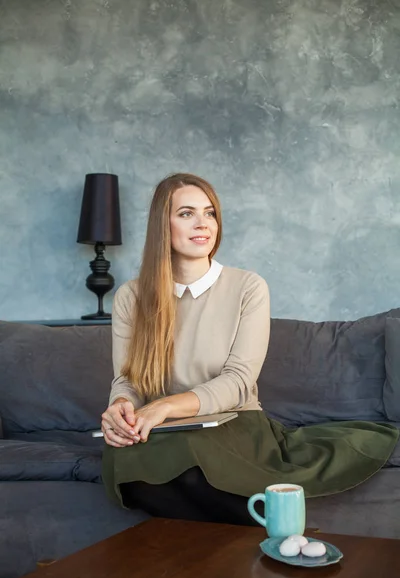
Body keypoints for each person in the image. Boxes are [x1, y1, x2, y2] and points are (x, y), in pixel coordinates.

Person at [102, 173, 398, 525]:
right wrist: (120, 408)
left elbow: (239, 380)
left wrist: (165, 406)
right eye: (186, 213)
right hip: (162, 429)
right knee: (124, 465)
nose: (203, 224)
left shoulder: (247, 287)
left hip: (233, 421)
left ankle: (263, 541)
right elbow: (128, 379)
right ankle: (262, 542)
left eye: (209, 213)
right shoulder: (130, 297)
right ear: (161, 224)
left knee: (189, 460)